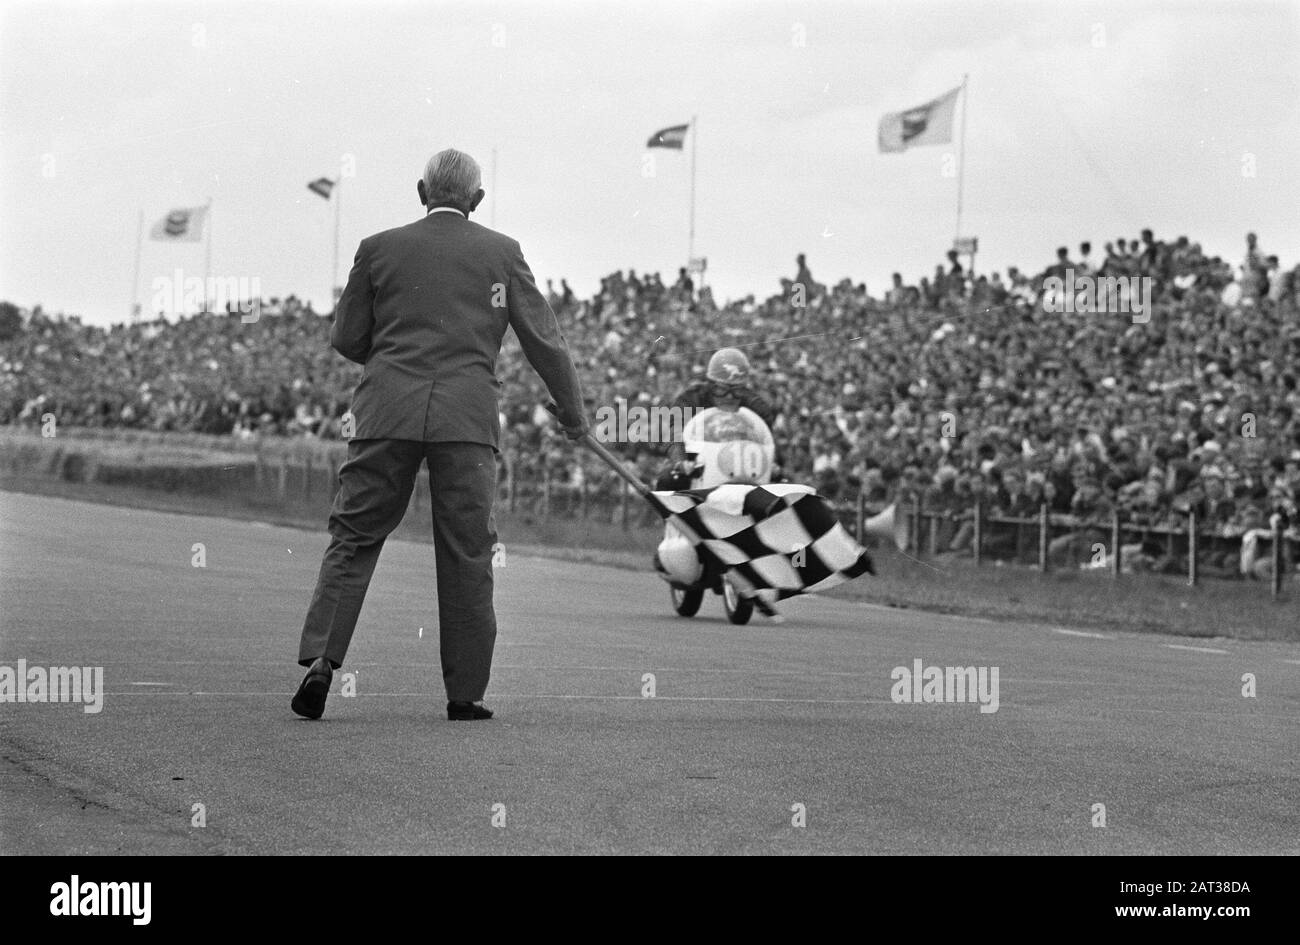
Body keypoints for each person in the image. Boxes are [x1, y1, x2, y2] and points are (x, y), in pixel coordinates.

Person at [291, 147, 588, 722]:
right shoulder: (503, 253)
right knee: (468, 552)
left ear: (421, 191)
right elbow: (544, 340)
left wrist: (395, 351)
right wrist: (573, 414)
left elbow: (347, 337)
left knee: (353, 536)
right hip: (467, 420)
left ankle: (322, 663)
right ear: (476, 201)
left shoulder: (377, 249)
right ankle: (465, 694)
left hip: (385, 413)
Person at [654, 347, 776, 488]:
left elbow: (767, 442)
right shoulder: (689, 400)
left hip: (745, 469)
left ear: (744, 388)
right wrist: (680, 461)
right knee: (668, 480)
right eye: (722, 389)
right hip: (697, 466)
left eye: (736, 391)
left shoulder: (757, 407)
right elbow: (675, 435)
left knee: (783, 483)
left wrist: (773, 464)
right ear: (710, 385)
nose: (729, 397)